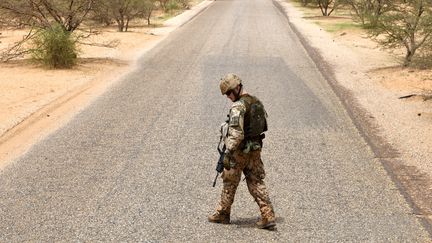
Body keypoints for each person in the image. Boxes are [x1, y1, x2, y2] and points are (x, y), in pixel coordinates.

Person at [208, 73, 276, 230]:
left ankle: (223, 214)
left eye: (229, 93)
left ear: (237, 88)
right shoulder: (256, 101)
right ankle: (268, 215)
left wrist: (228, 152)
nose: (228, 97)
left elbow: (236, 133)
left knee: (230, 181)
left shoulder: (238, 106)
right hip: (255, 149)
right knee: (256, 181)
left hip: (239, 151)